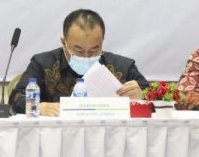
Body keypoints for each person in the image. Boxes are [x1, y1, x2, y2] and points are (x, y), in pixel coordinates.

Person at [9, 9, 148, 116]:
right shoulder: (42, 63)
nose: (87, 56)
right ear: (64, 43)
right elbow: (16, 98)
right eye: (79, 50)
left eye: (94, 49)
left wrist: (140, 96)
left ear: (102, 41)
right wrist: (39, 107)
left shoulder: (122, 66)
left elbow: (154, 95)